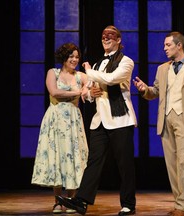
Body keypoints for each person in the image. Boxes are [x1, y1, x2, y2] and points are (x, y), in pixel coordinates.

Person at [56, 25, 137, 216]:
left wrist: (88, 71)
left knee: (124, 165)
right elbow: (88, 93)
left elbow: (112, 79)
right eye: (103, 36)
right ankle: (81, 201)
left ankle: (128, 204)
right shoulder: (99, 64)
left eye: (111, 36)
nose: (106, 38)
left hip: (120, 120)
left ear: (118, 40)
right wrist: (90, 93)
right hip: (99, 120)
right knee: (93, 162)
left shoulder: (126, 62)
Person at [133, 31, 184, 216]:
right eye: (164, 45)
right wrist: (145, 90)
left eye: (168, 45)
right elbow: (155, 92)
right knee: (171, 164)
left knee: (183, 162)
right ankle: (179, 202)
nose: (164, 48)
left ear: (179, 45)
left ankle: (183, 205)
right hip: (166, 119)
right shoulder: (162, 68)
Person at [31, 42, 90, 214]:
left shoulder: (81, 76)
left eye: (77, 57)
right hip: (55, 118)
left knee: (73, 157)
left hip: (73, 120)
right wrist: (77, 93)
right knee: (55, 157)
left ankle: (71, 200)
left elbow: (91, 85)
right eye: (71, 56)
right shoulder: (53, 73)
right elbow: (54, 92)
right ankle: (58, 200)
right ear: (64, 57)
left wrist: (86, 86)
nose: (74, 59)